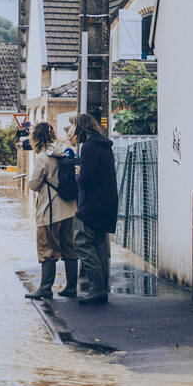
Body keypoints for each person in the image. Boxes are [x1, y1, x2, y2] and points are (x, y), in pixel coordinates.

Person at [24, 122, 79, 300]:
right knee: (69, 248)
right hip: (69, 209)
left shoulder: (42, 157)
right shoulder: (63, 151)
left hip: (50, 211)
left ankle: (45, 288)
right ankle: (71, 287)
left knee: (47, 248)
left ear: (36, 137)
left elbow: (33, 185)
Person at [68, 114, 117, 304]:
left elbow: (86, 180)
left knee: (82, 242)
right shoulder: (105, 146)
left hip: (92, 205)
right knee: (98, 245)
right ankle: (101, 288)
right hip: (107, 204)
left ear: (82, 128)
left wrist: (77, 174)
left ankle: (97, 289)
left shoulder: (89, 147)